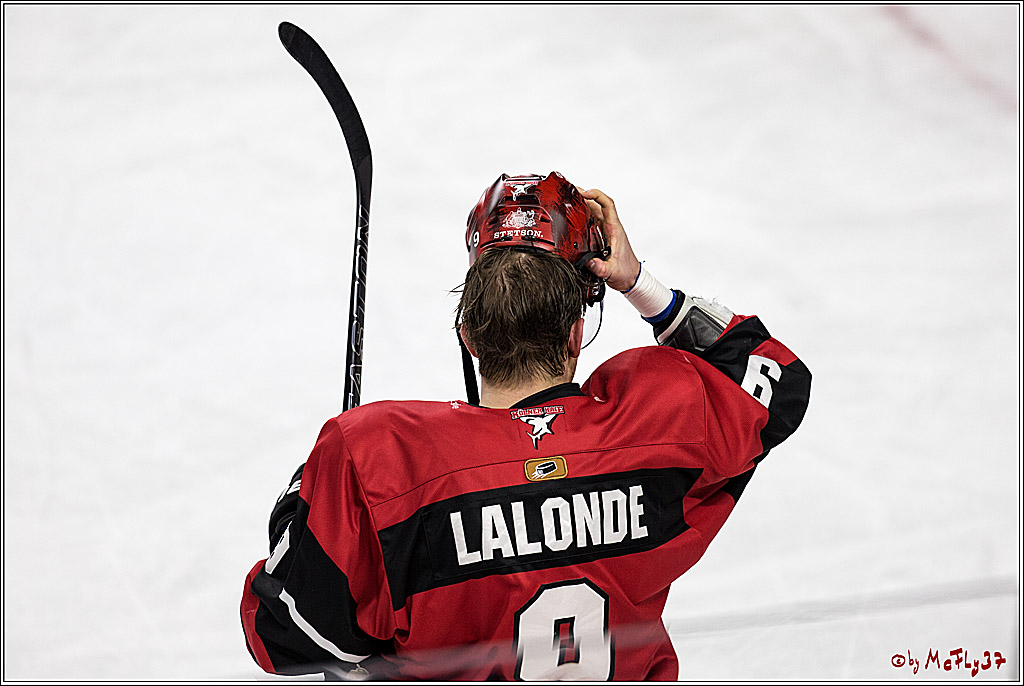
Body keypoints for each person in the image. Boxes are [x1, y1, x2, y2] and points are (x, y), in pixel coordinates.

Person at [240, 171, 811, 680]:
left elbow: (285, 637)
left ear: (469, 335)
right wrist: (642, 286)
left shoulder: (376, 459)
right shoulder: (653, 424)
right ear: (572, 334)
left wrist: (310, 494)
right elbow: (776, 379)